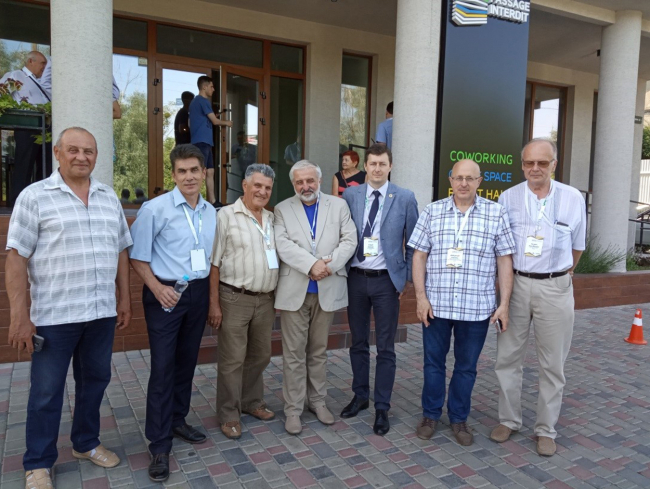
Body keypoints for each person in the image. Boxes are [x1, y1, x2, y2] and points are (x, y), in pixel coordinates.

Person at [5, 127, 132, 489]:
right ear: (57, 153)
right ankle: (38, 462)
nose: (82, 157)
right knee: (47, 392)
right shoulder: (35, 197)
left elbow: (121, 250)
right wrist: (19, 316)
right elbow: (15, 259)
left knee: (95, 382)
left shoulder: (108, 197)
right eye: (73, 150)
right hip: (54, 317)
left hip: (100, 313)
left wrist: (124, 298)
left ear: (97, 156)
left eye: (89, 151)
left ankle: (86, 443)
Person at [408, 159, 516, 447]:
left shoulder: (496, 213)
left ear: (479, 181)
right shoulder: (432, 211)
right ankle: (430, 415)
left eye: (470, 178)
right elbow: (419, 255)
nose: (464, 183)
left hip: (476, 308)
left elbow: (504, 259)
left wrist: (504, 303)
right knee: (433, 364)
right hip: (437, 306)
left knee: (466, 368)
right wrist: (420, 297)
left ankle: (458, 418)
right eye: (459, 178)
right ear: (451, 180)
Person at [491, 138, 586, 457]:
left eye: (542, 163)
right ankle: (509, 420)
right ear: (522, 165)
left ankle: (546, 429)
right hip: (516, 286)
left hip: (555, 287)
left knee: (553, 364)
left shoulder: (572, 198)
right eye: (529, 163)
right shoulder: (508, 197)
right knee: (507, 358)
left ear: (554, 165)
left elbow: (578, 246)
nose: (535, 168)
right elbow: (502, 250)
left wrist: (562, 274)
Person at [129, 144, 217, 482]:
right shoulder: (155, 209)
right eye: (182, 171)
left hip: (197, 292)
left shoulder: (210, 211)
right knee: (163, 368)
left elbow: (209, 258)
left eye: (194, 170)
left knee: (186, 362)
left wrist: (209, 299)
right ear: (173, 174)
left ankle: (177, 420)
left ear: (204, 172)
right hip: (165, 293)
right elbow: (137, 256)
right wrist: (156, 287)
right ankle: (159, 444)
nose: (189, 177)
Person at [340, 144, 418, 435]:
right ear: (366, 166)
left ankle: (382, 406)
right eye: (372, 163)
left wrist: (405, 278)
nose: (376, 168)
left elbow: (413, 243)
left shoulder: (405, 197)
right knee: (358, 342)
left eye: (382, 164)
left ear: (390, 166)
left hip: (387, 281)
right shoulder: (351, 195)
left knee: (386, 347)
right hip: (356, 278)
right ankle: (360, 395)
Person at [274, 160, 357, 435]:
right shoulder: (282, 209)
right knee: (294, 354)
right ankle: (293, 409)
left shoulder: (339, 205)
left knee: (318, 351)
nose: (305, 186)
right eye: (299, 182)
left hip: (327, 287)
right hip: (294, 291)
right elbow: (282, 245)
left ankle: (318, 402)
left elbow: (349, 240)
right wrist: (312, 265)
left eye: (310, 180)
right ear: (293, 184)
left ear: (319, 180)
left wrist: (327, 267)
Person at [207, 164, 278, 439]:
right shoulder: (225, 216)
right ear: (245, 186)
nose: (262, 191)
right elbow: (214, 264)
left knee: (261, 355)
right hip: (234, 297)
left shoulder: (272, 219)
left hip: (266, 299)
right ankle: (228, 413)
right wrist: (214, 304)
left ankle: (251, 401)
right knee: (233, 359)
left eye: (267, 187)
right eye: (257, 185)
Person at [0, 51, 52, 205]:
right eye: (42, 63)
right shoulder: (16, 76)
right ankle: (17, 204)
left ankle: (41, 203)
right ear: (31, 61)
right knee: (24, 166)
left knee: (46, 168)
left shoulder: (42, 82)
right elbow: (1, 94)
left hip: (45, 129)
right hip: (27, 128)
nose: (44, 67)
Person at [189, 75, 232, 204]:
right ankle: (195, 200)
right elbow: (215, 121)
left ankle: (212, 201)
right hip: (202, 142)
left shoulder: (194, 102)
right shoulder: (203, 101)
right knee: (200, 172)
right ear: (204, 87)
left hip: (203, 142)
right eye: (211, 86)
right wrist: (227, 123)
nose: (213, 89)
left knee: (210, 171)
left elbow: (190, 123)